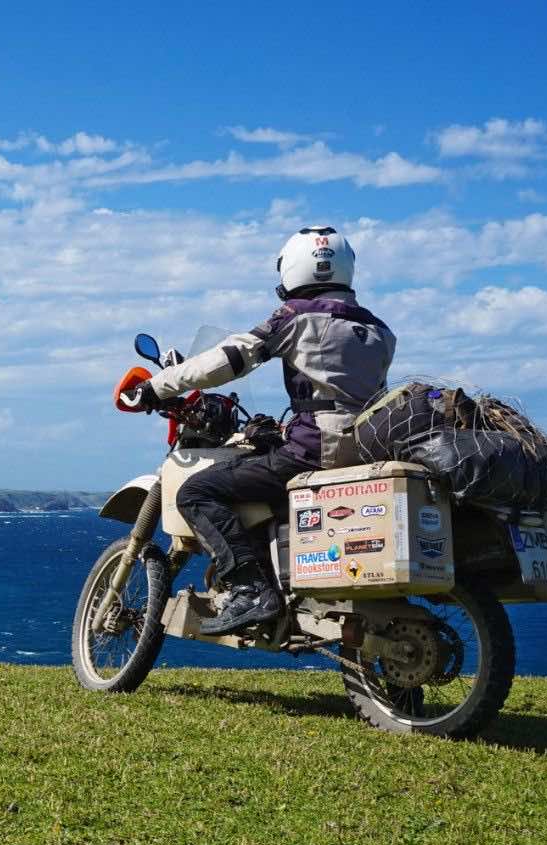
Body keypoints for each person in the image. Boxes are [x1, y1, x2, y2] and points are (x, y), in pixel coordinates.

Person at [126, 226, 396, 635]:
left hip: (317, 449)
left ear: (291, 268)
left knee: (197, 492)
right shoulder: (379, 329)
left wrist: (156, 386)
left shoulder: (296, 318)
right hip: (371, 448)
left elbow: (229, 359)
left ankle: (251, 590)